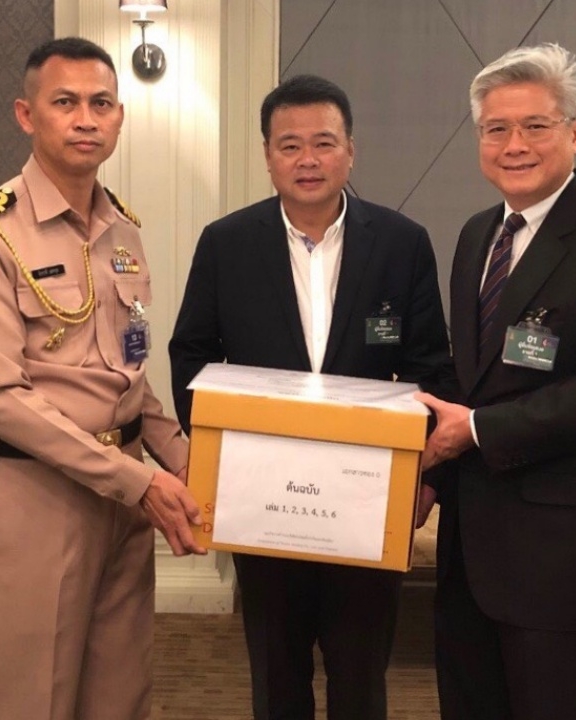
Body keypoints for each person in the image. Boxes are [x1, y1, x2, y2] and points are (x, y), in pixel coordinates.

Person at [0, 37, 205, 720]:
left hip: (124, 493)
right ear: (27, 115)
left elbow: (130, 377)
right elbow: (1, 400)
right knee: (35, 698)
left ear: (120, 118)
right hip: (38, 495)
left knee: (120, 694)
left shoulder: (122, 231)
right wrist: (141, 482)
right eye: (66, 103)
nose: (86, 119)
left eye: (101, 103)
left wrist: (189, 462)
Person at [168, 74, 451, 720]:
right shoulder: (226, 243)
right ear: (267, 156)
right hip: (262, 500)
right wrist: (217, 459)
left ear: (350, 150)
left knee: (360, 676)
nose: (307, 160)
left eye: (323, 143)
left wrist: (428, 478)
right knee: (276, 676)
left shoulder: (402, 243)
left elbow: (431, 366)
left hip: (366, 499)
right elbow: (191, 355)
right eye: (289, 145)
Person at [414, 44, 576, 720]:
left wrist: (477, 430)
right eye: (496, 128)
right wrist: (431, 472)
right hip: (471, 552)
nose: (514, 145)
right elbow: (471, 382)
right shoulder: (476, 236)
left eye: (536, 125)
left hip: (564, 558)